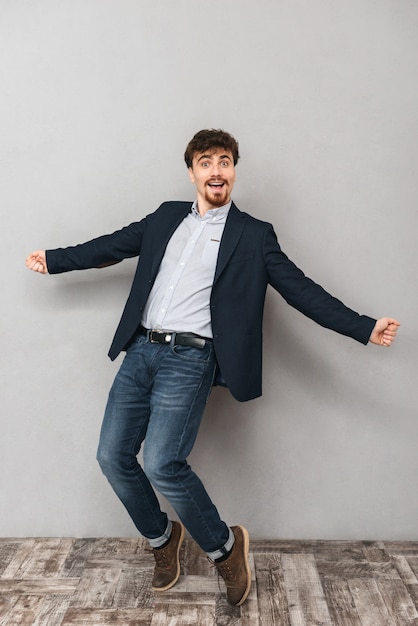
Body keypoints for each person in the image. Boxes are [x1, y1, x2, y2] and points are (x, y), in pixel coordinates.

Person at [26, 129, 400, 606]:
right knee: (111, 457)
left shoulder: (254, 235)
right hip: (141, 350)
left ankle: (225, 550)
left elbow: (301, 289)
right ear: (193, 173)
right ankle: (164, 540)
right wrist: (55, 260)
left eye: (224, 161)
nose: (216, 171)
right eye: (206, 162)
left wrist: (363, 327)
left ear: (234, 172)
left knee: (162, 463)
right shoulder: (165, 218)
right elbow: (112, 246)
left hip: (191, 358)